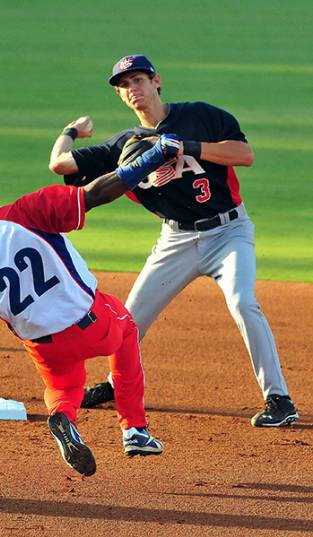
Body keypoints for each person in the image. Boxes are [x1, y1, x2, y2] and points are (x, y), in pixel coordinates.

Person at [0, 136, 178, 476]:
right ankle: (135, 430)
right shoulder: (28, 210)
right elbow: (98, 193)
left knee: (63, 388)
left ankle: (63, 417)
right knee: (127, 330)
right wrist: (155, 155)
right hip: (91, 324)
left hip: (45, 349)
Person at [49, 54, 299, 428]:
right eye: (124, 85)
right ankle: (117, 385)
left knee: (244, 303)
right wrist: (71, 129)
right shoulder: (124, 144)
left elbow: (244, 155)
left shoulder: (200, 115)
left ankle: (279, 399)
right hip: (176, 240)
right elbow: (60, 165)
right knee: (129, 321)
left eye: (138, 80)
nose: (132, 89)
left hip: (229, 232)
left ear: (156, 81)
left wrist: (188, 147)